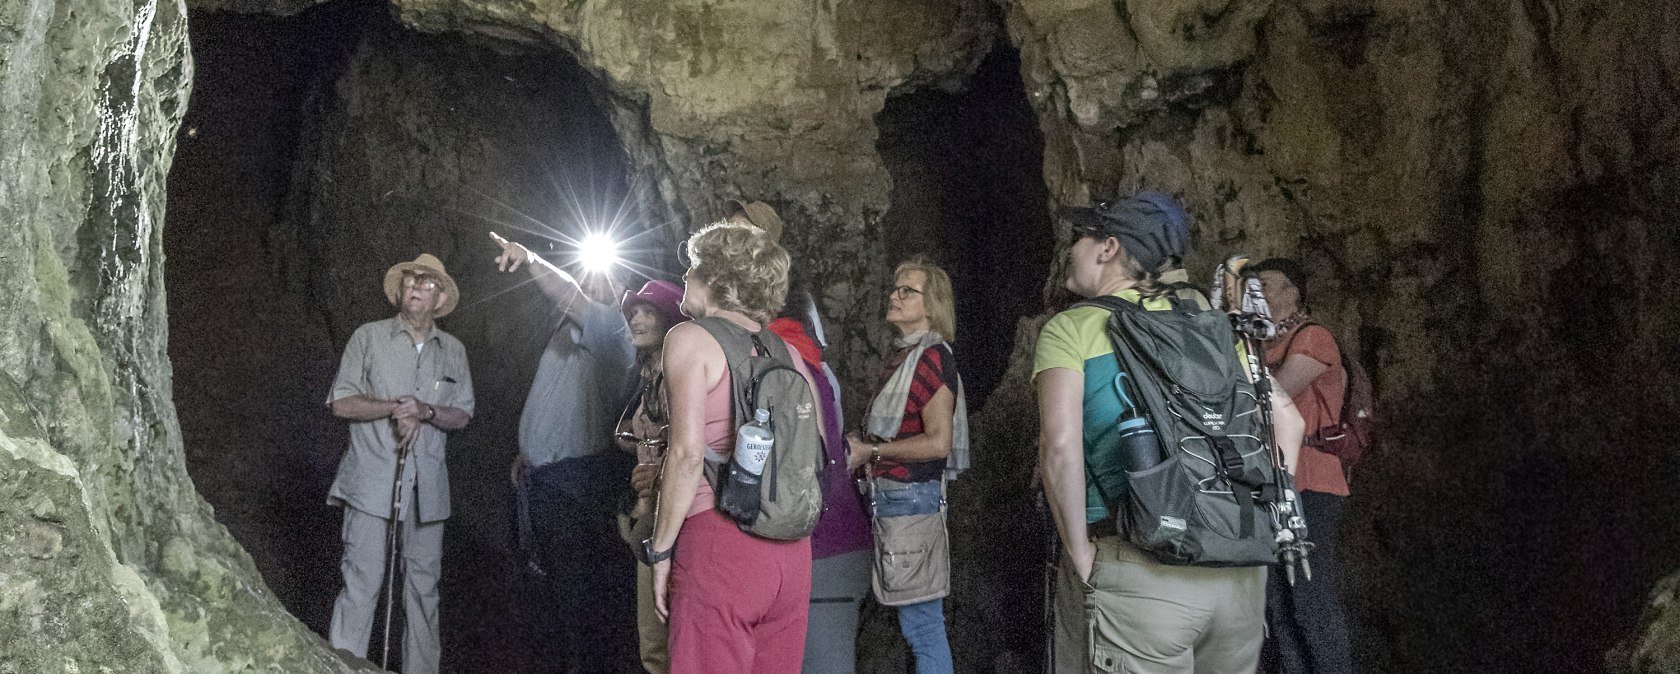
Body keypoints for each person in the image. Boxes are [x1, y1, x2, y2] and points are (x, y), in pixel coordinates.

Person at [1035, 193, 1305, 674]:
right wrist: (1265, 518)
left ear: (1108, 247)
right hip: (1239, 573)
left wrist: (1079, 554)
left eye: (1081, 237)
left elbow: (1059, 449)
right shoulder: (1210, 326)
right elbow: (1288, 422)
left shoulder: (1072, 328)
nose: (1070, 249)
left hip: (1139, 569)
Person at [648, 222, 822, 673]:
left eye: (692, 268)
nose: (685, 277)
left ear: (716, 278)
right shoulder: (790, 354)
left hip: (720, 545)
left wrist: (661, 551)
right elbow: (814, 452)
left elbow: (686, 456)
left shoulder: (690, 340)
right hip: (791, 555)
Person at [490, 231, 639, 673]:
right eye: (591, 279)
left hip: (576, 486)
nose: (594, 287)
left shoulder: (615, 331)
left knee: (578, 601)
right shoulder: (565, 335)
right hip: (541, 481)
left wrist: (532, 258)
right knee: (546, 596)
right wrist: (529, 450)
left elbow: (571, 296)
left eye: (606, 282)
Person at [325, 253, 475, 674]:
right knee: (362, 583)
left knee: (423, 591)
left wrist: (425, 411)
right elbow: (341, 402)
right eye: (411, 279)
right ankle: (342, 666)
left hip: (427, 489)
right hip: (371, 479)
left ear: (440, 296)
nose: (416, 287)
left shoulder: (453, 352)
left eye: (427, 283)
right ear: (400, 289)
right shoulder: (368, 338)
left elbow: (461, 414)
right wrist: (395, 407)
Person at [844, 257, 969, 674]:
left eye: (907, 291)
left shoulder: (932, 358)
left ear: (931, 305)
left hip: (910, 503)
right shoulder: (905, 357)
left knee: (923, 627)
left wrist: (871, 454)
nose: (894, 296)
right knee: (914, 623)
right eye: (895, 289)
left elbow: (938, 442)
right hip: (893, 500)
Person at [1249, 258, 1354, 674]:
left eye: (1267, 285)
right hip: (1272, 486)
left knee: (1311, 598)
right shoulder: (1259, 346)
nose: (1257, 295)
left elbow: (1273, 396)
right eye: (1252, 288)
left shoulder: (1314, 338)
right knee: (1279, 604)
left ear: (1293, 292)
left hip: (1312, 483)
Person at [612, 280, 690, 674]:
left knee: (662, 631)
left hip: (670, 508)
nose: (636, 319)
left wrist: (657, 469)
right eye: (633, 313)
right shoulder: (648, 376)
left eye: (648, 312)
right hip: (650, 506)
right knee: (653, 635)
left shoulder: (678, 372)